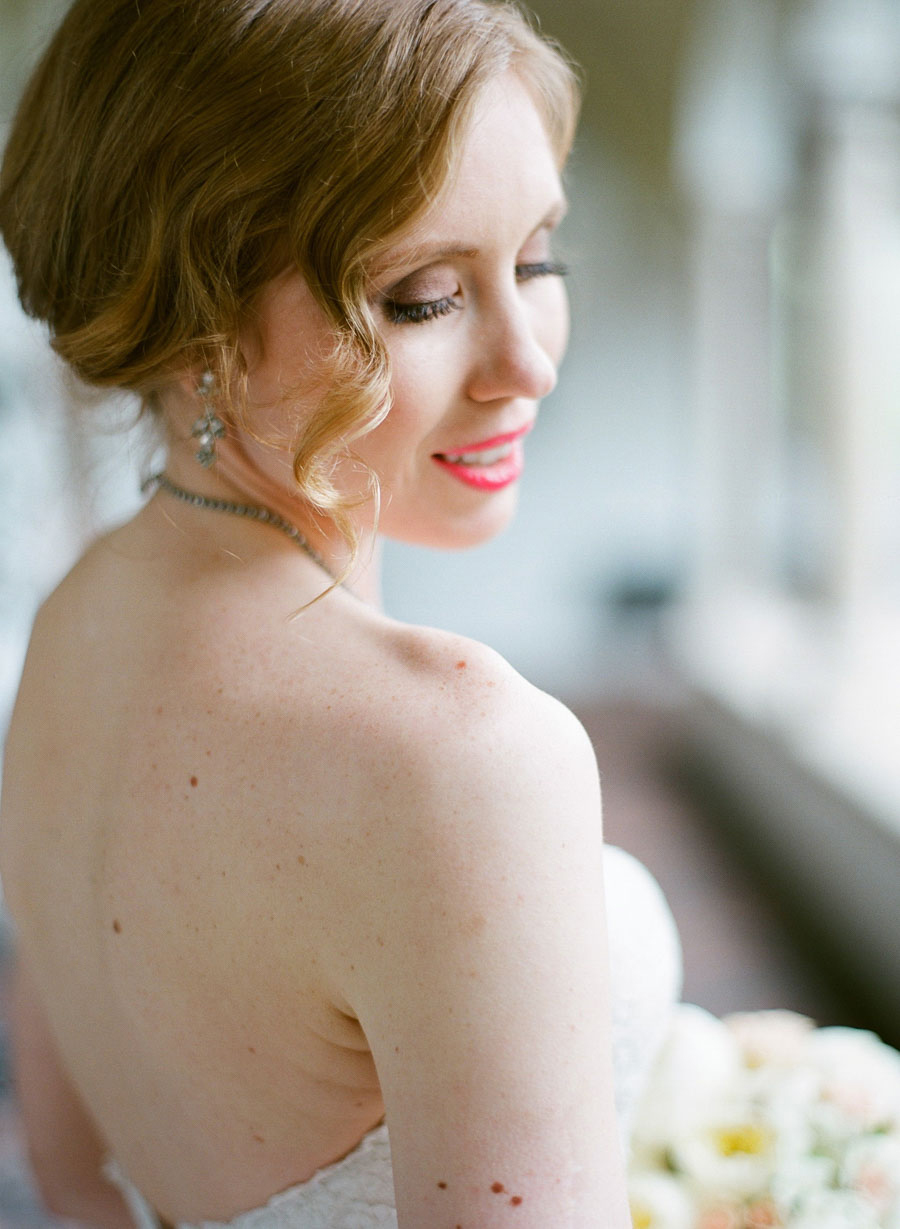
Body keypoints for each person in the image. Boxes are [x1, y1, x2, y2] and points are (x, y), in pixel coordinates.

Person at [0, 1, 681, 1225]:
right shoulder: (460, 760)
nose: (528, 360)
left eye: (536, 259)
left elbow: (71, 1183)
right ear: (195, 323)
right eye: (423, 295)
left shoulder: (67, 631)